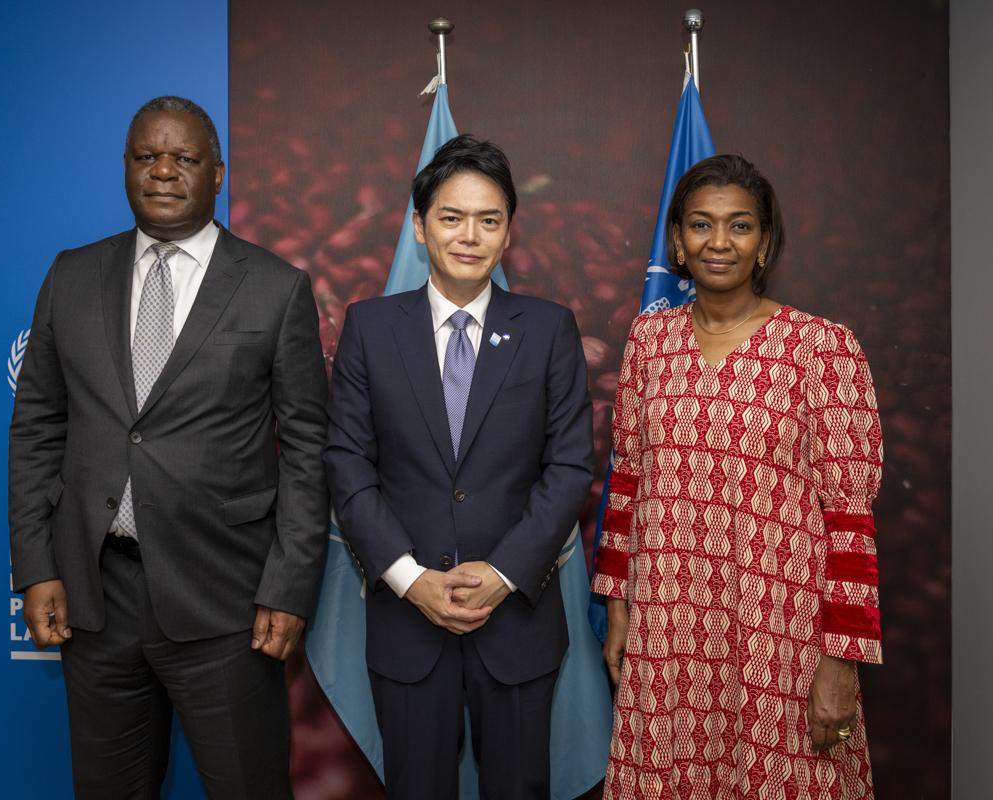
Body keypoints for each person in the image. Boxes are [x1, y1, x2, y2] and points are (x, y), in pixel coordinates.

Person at [8, 96, 328, 799]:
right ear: (125, 167)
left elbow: (308, 449)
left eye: (183, 158)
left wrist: (288, 586)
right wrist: (36, 565)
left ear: (217, 173)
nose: (162, 171)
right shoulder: (70, 276)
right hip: (97, 598)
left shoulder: (276, 289)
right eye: (146, 156)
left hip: (229, 605)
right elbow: (36, 426)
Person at [592, 154, 883, 800]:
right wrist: (618, 608)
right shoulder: (648, 342)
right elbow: (628, 481)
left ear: (765, 242)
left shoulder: (821, 348)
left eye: (740, 225)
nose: (718, 241)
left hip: (779, 637)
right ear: (677, 241)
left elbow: (850, 521)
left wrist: (840, 662)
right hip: (667, 630)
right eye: (701, 224)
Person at [323, 135, 594, 799]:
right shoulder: (370, 327)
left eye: (488, 219)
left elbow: (568, 467)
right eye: (451, 217)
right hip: (407, 619)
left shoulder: (548, 329)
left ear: (508, 232)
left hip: (517, 620)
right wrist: (411, 579)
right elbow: (347, 462)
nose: (469, 236)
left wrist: (502, 574)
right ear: (420, 227)